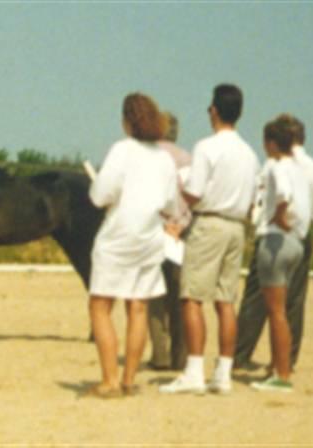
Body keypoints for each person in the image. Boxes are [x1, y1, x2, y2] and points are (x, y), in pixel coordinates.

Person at [160, 84, 259, 395]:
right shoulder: (249, 153)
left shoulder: (206, 147)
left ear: (214, 110)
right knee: (225, 300)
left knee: (191, 296)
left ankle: (194, 370)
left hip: (210, 223)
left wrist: (178, 190)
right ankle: (224, 371)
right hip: (236, 227)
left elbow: (194, 192)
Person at [88, 93, 179, 398]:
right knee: (138, 307)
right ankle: (128, 379)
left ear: (127, 120)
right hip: (149, 236)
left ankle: (109, 380)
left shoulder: (121, 151)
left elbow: (100, 195)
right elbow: (169, 202)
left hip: (118, 236)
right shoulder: (164, 157)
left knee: (100, 305)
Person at [234, 114, 313, 371]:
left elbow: (264, 195)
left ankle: (241, 353)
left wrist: (276, 217)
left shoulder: (274, 164)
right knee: (294, 301)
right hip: (302, 235)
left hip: (276, 233)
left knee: (257, 297)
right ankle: (288, 358)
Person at [249, 118, 311, 392]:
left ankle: (281, 374)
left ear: (272, 143)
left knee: (275, 312)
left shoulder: (277, 167)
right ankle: (279, 368)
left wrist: (278, 216)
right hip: (297, 241)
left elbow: (283, 194)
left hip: (277, 240)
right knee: (283, 310)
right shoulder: (301, 169)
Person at [147, 112, 190, 371]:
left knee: (155, 296)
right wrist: (180, 224)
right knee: (180, 294)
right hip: (181, 232)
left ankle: (159, 354)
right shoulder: (187, 159)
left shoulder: (149, 158)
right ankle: (180, 354)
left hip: (154, 230)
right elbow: (193, 197)